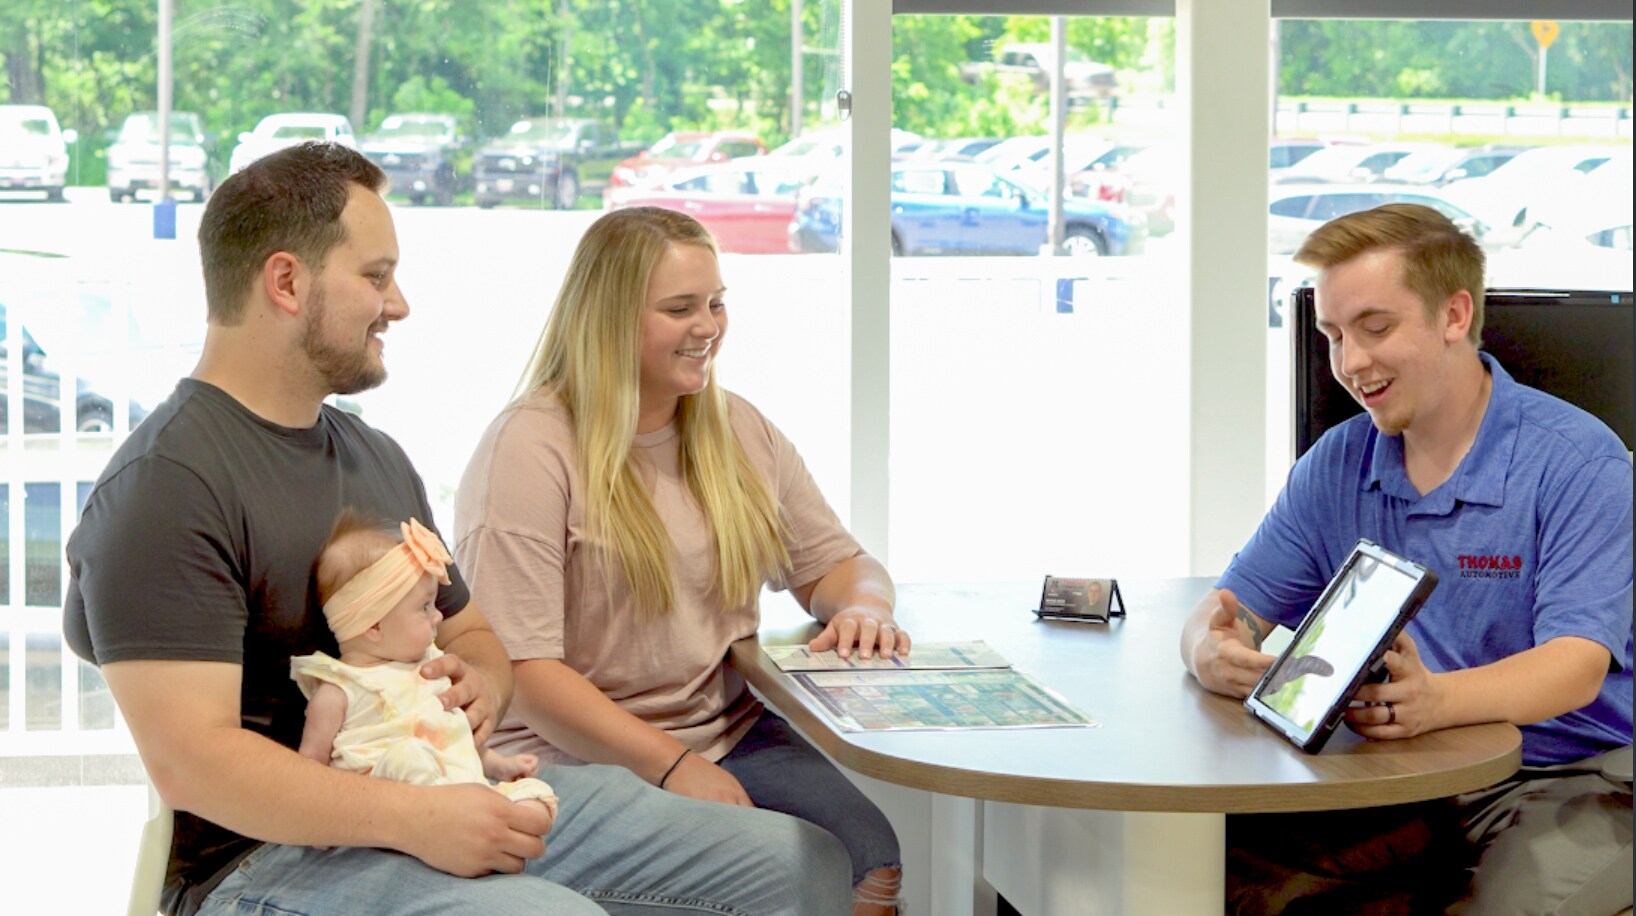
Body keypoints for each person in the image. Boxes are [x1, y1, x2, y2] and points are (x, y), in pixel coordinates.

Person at [63, 143, 850, 916]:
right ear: (287, 282)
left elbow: (471, 633)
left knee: (798, 865)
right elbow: (193, 764)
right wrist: (413, 819)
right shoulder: (167, 487)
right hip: (262, 862)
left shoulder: (374, 458)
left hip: (439, 786)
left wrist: (479, 686)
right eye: (376, 277)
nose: (399, 304)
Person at [453, 206, 908, 915]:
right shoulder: (528, 449)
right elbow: (526, 674)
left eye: (716, 303)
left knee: (871, 858)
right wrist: (670, 766)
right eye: (680, 309)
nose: (709, 327)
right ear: (608, 319)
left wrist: (864, 608)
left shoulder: (739, 429)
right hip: (568, 756)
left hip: (727, 733)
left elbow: (840, 563)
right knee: (801, 868)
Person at [1180, 203, 1632, 915]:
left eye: (1375, 327)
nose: (1350, 363)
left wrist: (1436, 701)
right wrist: (1208, 651)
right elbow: (1228, 609)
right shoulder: (1337, 462)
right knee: (1217, 873)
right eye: (1334, 335)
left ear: (1454, 315)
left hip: (1569, 776)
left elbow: (1575, 666)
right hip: (1405, 777)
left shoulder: (1579, 462)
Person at [293, 512, 557, 819]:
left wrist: (498, 765)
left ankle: (492, 815)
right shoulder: (340, 690)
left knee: (537, 796)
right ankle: (462, 817)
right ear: (374, 626)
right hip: (387, 808)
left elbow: (453, 735)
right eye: (424, 607)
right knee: (407, 758)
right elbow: (311, 767)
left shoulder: (431, 666)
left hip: (460, 789)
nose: (438, 616)